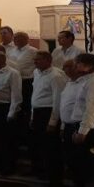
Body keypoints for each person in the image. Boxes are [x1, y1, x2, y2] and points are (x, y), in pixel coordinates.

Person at [63, 54, 94, 187]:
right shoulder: (84, 81)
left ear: (89, 66)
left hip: (91, 129)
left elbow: (93, 109)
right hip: (81, 125)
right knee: (76, 164)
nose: (75, 66)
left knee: (86, 166)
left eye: (78, 63)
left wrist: (82, 131)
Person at [30, 50, 66, 179]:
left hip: (48, 113)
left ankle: (54, 180)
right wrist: (32, 115)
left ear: (48, 61)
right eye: (35, 59)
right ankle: (41, 172)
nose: (35, 61)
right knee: (38, 145)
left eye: (38, 59)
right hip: (38, 112)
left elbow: (58, 100)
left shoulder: (56, 76)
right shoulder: (36, 72)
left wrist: (53, 121)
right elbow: (36, 94)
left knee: (51, 149)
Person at [7, 31, 38, 128]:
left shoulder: (33, 51)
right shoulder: (12, 50)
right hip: (13, 80)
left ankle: (26, 125)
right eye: (14, 38)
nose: (15, 40)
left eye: (17, 38)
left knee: (26, 105)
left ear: (25, 39)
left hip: (27, 81)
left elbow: (37, 66)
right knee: (15, 102)